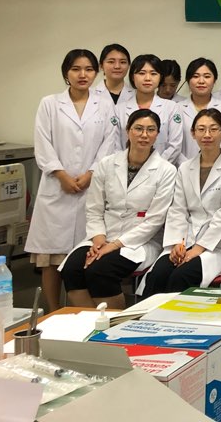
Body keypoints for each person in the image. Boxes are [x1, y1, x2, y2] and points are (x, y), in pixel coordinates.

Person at [29, 49, 121, 312]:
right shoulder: (49, 103)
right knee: (50, 258)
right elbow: (42, 142)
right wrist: (61, 174)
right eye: (76, 69)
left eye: (89, 69)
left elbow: (109, 142)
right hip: (56, 187)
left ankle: (78, 311)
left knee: (83, 257)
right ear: (66, 73)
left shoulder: (104, 104)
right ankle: (52, 310)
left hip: (91, 186)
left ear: (96, 72)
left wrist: (92, 173)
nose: (83, 75)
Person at [61, 109, 176, 309]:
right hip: (103, 235)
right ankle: (90, 320)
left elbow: (155, 220)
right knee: (72, 269)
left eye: (150, 130)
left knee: (100, 270)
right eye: (138, 128)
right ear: (127, 130)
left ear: (157, 134)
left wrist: (114, 245)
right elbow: (94, 208)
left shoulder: (166, 170)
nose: (144, 135)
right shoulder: (106, 165)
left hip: (139, 241)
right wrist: (99, 239)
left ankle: (116, 321)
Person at [141, 109, 221, 296]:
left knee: (181, 276)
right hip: (186, 240)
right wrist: (177, 244)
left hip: (216, 246)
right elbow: (178, 209)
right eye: (201, 129)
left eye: (213, 129)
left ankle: (173, 315)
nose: (207, 135)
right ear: (193, 133)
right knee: (158, 274)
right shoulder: (185, 168)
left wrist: (198, 249)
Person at [115, 54, 182, 164]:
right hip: (125, 168)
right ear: (132, 77)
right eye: (141, 73)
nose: (147, 78)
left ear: (160, 77)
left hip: (161, 170)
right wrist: (126, 166)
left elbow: (175, 145)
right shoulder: (119, 110)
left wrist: (155, 167)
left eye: (153, 73)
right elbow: (115, 146)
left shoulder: (171, 107)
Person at [176, 58, 221, 164]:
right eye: (195, 76)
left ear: (214, 80)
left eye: (207, 76)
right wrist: (187, 166)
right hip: (183, 166)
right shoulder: (177, 108)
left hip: (217, 166)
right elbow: (174, 143)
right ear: (188, 80)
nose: (201, 81)